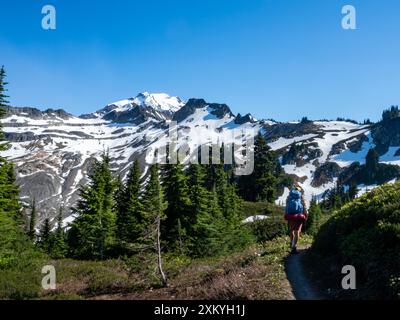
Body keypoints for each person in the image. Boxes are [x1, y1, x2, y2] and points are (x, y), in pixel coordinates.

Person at [284, 183, 308, 254]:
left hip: (290, 215)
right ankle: (294, 247)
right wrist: (306, 214)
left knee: (291, 230)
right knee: (297, 231)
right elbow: (304, 205)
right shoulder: (301, 196)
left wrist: (286, 213)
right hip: (299, 216)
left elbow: (287, 204)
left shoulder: (290, 196)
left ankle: (291, 243)